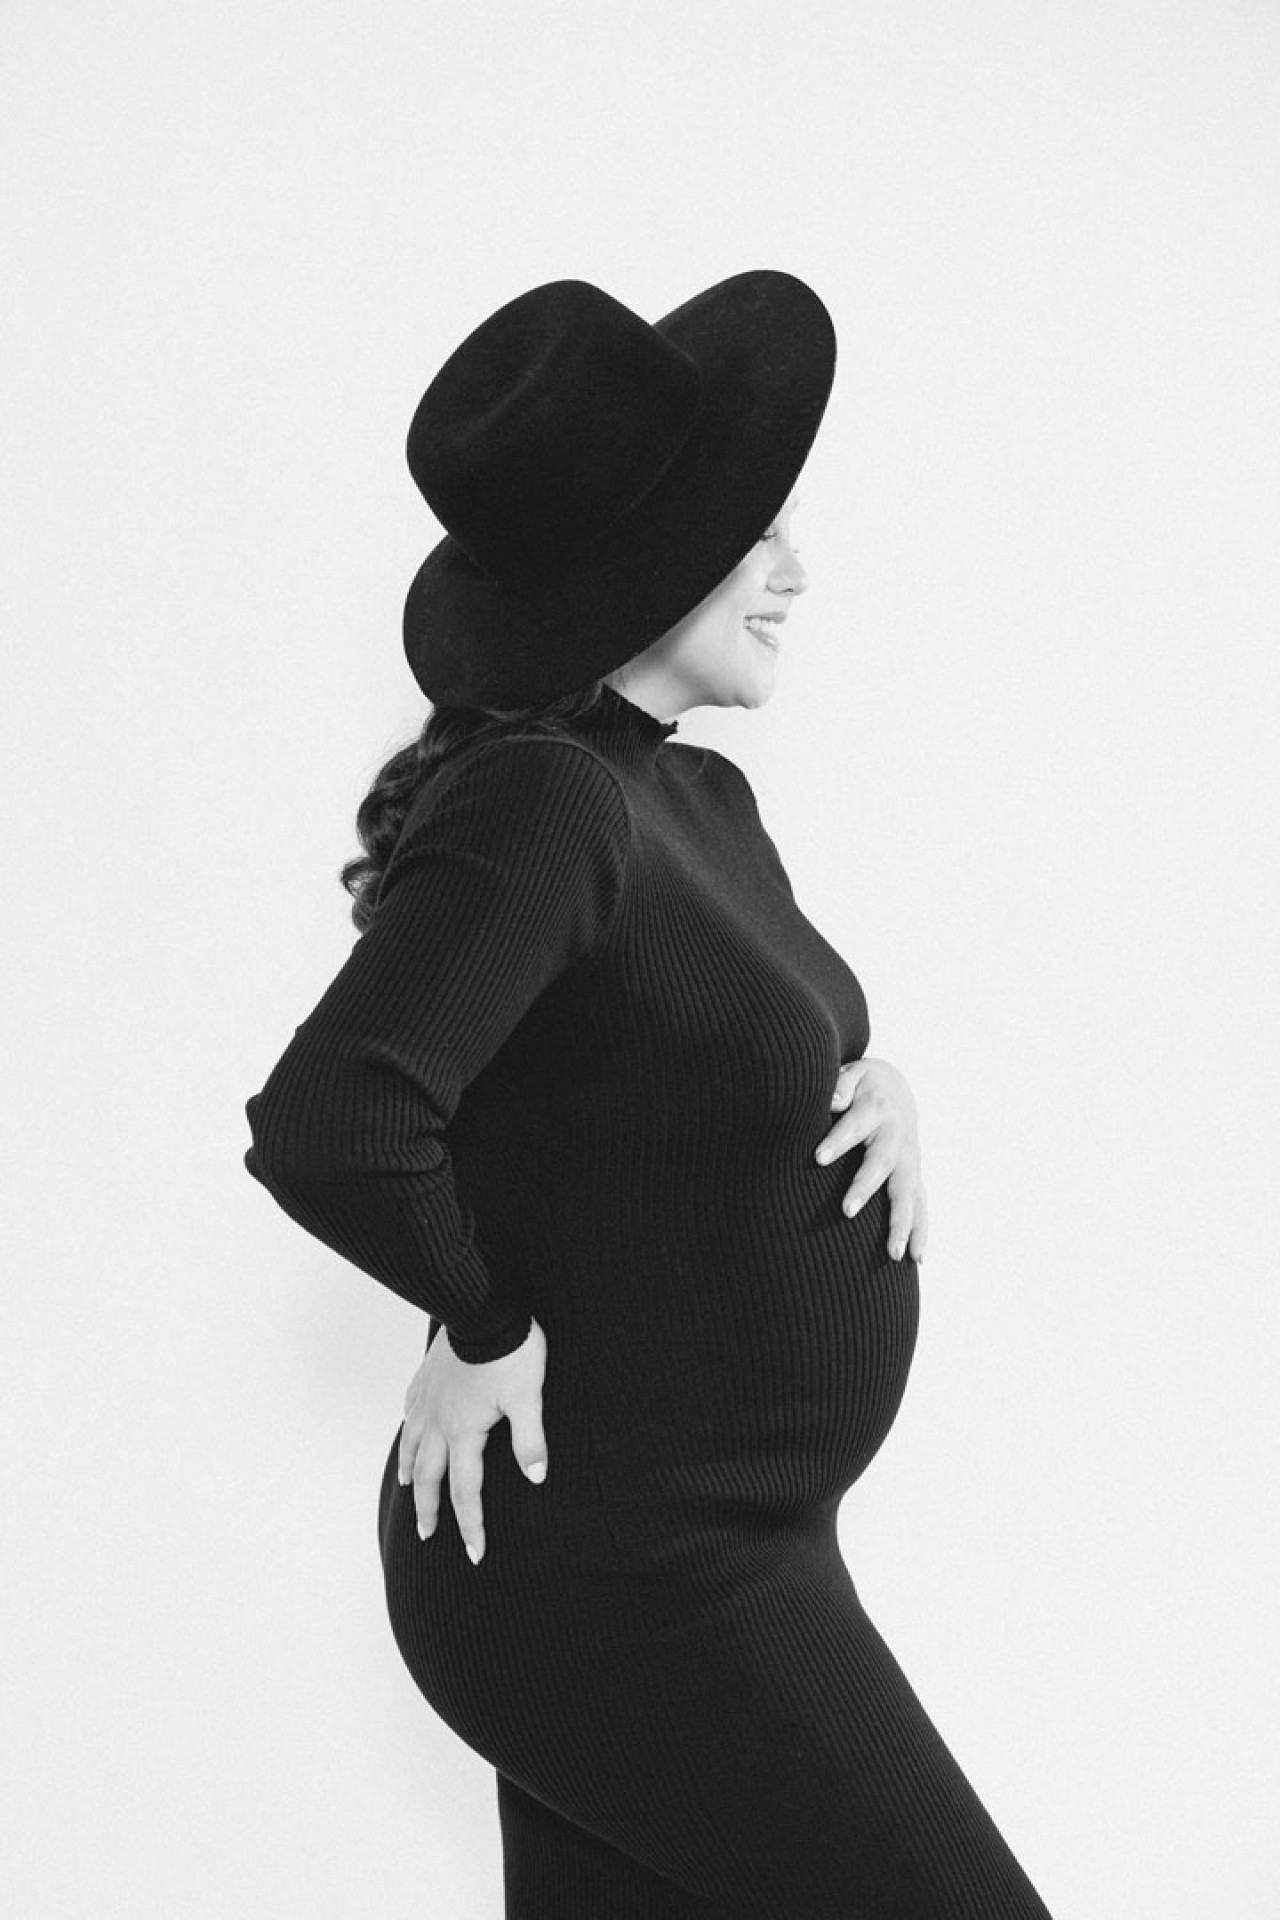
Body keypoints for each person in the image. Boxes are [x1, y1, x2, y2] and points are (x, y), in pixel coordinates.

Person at [244, 272, 1053, 1918]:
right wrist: (477, 1325)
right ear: (654, 558)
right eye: (758, 534)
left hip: (722, 1547)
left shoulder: (693, 801)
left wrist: (877, 1085)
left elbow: (672, 1072)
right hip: (621, 1575)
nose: (794, 569)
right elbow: (336, 1117)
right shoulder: (544, 798)